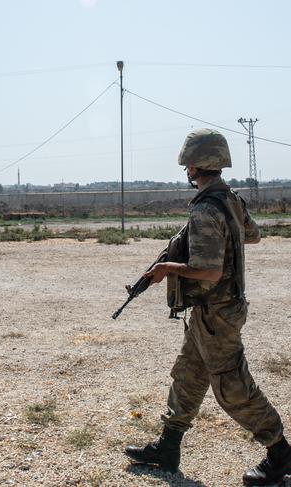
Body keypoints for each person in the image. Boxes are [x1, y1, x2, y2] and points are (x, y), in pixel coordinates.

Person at [123, 128, 291, 486]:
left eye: (189, 164)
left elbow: (210, 272)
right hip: (213, 311)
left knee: (232, 387)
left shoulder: (204, 209)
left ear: (195, 165)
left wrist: (168, 268)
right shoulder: (229, 199)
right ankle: (168, 446)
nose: (187, 170)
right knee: (188, 374)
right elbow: (253, 234)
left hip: (217, 312)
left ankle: (280, 452)